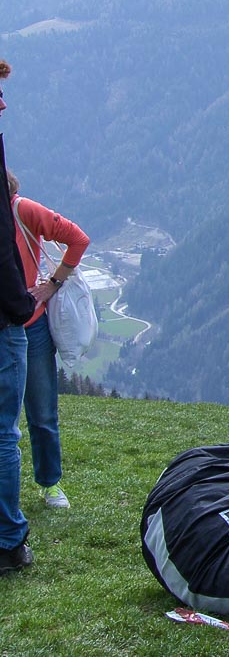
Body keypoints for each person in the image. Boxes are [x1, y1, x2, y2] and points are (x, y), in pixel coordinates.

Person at [9, 169, 90, 509]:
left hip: (31, 325)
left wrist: (52, 285)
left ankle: (50, 483)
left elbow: (78, 239)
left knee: (41, 412)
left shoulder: (22, 210)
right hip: (12, 324)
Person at [0, 61, 39, 575]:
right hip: (4, 320)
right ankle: (8, 539)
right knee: (4, 433)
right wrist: (21, 305)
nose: (3, 102)